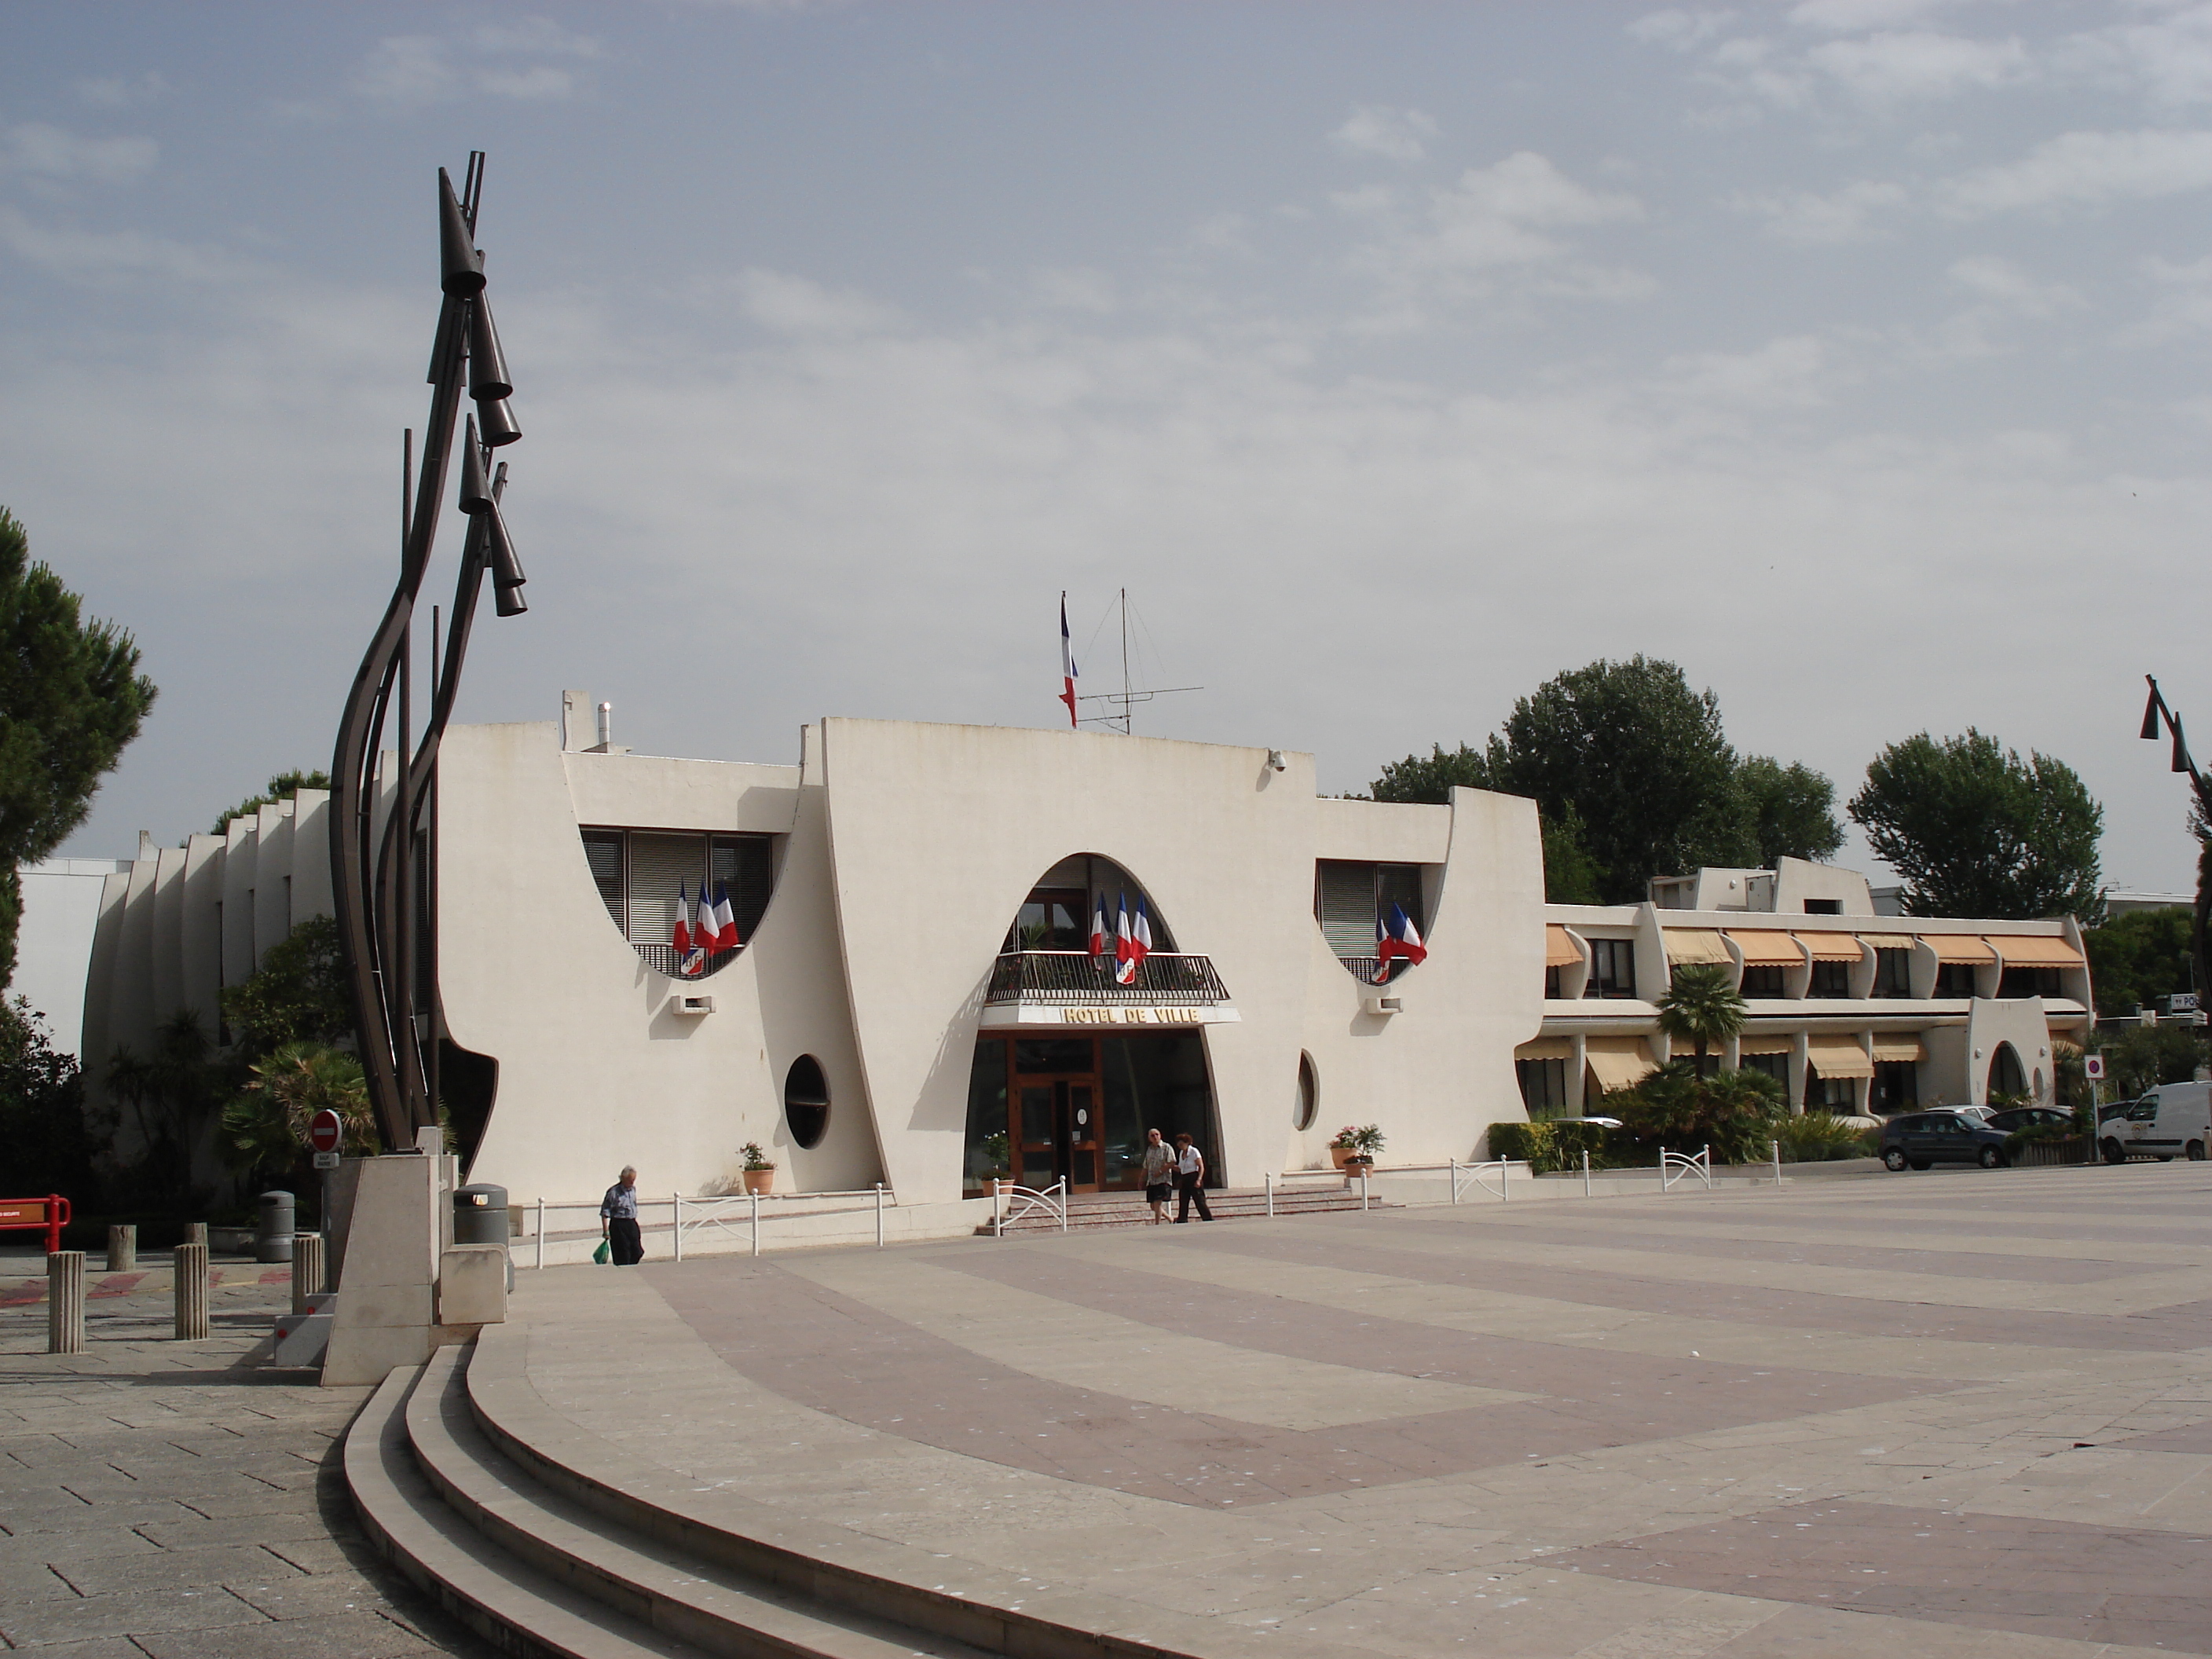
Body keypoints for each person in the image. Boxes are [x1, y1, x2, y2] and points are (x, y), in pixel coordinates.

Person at [600, 1166, 643, 1265]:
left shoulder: (632, 1190)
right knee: (623, 1253)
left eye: (633, 1180)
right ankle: (625, 1272)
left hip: (631, 1223)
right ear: (623, 1178)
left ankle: (631, 1267)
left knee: (637, 1251)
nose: (632, 1182)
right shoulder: (614, 1192)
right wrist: (606, 1230)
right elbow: (605, 1211)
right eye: (630, 1180)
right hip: (619, 1224)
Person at [1172, 1133, 1213, 1223]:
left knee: (1199, 1200)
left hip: (1194, 1176)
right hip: (1185, 1177)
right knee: (1183, 1199)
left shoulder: (1194, 1151)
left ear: (1187, 1143)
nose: (1180, 1146)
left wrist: (1199, 1179)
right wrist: (1170, 1166)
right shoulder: (1181, 1153)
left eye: (1181, 1144)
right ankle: (1182, 1219)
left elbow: (1201, 1166)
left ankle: (1208, 1219)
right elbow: (1180, 1168)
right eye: (1179, 1144)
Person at [1139, 1128, 1175, 1225]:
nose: (1155, 1137)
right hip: (1152, 1181)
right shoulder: (1150, 1149)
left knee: (1157, 1203)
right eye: (1152, 1135)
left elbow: (1172, 1162)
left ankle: (1157, 1224)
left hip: (1163, 1180)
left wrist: (1160, 1171)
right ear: (1149, 1138)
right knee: (1153, 1206)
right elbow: (1146, 1166)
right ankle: (1169, 1218)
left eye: (1157, 1134)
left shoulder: (1166, 1147)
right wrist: (1141, 1179)